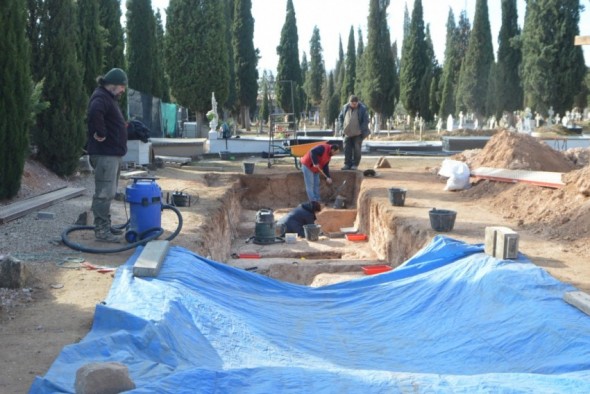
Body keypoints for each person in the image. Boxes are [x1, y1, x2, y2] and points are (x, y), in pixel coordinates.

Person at [86, 68, 128, 242]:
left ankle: (105, 226)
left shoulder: (108, 98)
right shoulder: (101, 97)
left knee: (108, 192)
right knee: (104, 193)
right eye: (121, 87)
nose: (123, 90)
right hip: (105, 155)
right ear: (113, 85)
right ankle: (102, 232)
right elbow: (95, 112)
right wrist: (101, 132)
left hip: (111, 154)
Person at [338, 95, 370, 170]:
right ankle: (347, 164)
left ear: (358, 102)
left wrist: (361, 130)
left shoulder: (363, 109)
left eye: (356, 104)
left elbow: (366, 121)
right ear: (349, 103)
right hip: (347, 132)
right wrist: (341, 129)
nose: (354, 105)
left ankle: (355, 164)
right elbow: (340, 118)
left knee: (357, 149)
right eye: (353, 104)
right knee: (347, 148)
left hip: (358, 133)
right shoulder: (345, 107)